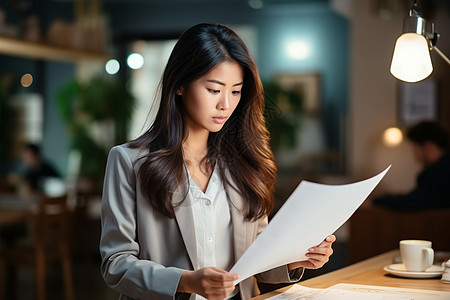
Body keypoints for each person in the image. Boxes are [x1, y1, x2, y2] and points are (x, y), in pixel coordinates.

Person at [99, 23, 335, 300]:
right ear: (180, 86)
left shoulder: (245, 162)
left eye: (235, 91)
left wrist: (298, 260)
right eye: (214, 90)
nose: (226, 103)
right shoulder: (129, 161)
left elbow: (257, 260)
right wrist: (186, 281)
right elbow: (115, 264)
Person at [373, 121, 450, 210]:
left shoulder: (437, 172)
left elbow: (414, 201)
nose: (415, 155)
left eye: (415, 148)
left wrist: (377, 200)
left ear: (428, 146)